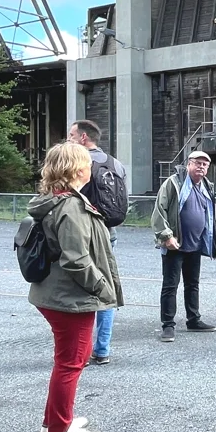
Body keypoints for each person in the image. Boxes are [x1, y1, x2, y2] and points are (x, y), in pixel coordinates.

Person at [27, 141, 123, 432]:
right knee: (72, 362)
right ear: (77, 168)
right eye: (87, 162)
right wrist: (102, 287)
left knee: (66, 360)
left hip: (57, 293)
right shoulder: (70, 206)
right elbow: (76, 259)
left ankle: (54, 420)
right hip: (71, 297)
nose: (92, 167)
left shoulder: (57, 199)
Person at [69, 119, 127, 366]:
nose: (68, 139)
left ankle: (78, 350)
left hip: (81, 233)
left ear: (83, 138)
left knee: (77, 288)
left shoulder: (79, 163)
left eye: (72, 135)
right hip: (108, 233)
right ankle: (102, 349)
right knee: (105, 289)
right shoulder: (116, 164)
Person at [151, 150, 216, 342]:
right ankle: (168, 325)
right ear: (188, 164)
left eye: (205, 164)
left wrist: (214, 243)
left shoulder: (207, 186)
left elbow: (211, 217)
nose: (201, 167)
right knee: (170, 286)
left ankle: (193, 319)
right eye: (197, 163)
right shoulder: (173, 183)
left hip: (196, 244)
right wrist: (167, 236)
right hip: (175, 244)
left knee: (193, 284)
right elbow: (159, 211)